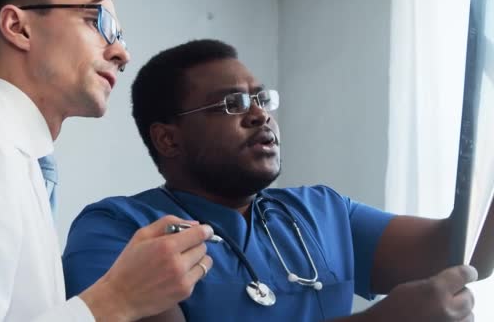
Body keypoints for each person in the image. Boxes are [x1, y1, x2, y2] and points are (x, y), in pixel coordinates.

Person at [62, 39, 494, 321]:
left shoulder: (321, 211)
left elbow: (460, 249)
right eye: (232, 104)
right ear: (168, 139)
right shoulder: (117, 230)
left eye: (261, 98)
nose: (259, 114)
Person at [0, 0, 214, 321]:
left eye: (120, 35)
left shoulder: (13, 160)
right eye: (95, 21)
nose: (122, 53)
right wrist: (114, 301)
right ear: (18, 28)